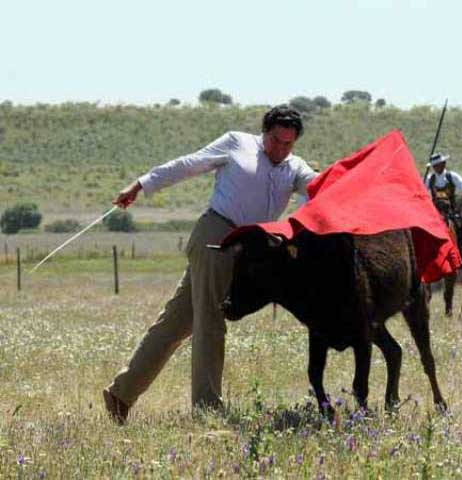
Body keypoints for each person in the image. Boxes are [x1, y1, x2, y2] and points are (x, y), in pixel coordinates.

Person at [102, 106, 317, 424]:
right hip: (216, 236)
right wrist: (141, 185)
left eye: (288, 143)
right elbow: (189, 164)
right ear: (264, 132)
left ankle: (120, 393)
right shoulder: (236, 143)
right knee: (210, 322)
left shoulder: (294, 167)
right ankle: (207, 410)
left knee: (176, 323)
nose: (280, 149)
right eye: (275, 140)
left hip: (249, 250)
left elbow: (316, 187)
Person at [425, 153, 462, 258]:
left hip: (451, 211)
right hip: (435, 212)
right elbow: (421, 192)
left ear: (444, 164)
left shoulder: (452, 176)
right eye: (434, 165)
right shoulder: (429, 179)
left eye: (438, 164)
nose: (436, 167)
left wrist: (459, 207)